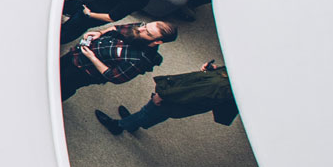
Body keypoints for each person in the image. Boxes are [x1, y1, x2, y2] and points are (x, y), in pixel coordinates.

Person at [95, 60, 235, 135]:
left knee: (150, 112)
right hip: (181, 103)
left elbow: (188, 93)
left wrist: (162, 95)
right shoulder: (228, 82)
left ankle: (119, 125)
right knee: (153, 114)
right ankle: (133, 123)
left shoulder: (220, 86)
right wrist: (215, 70)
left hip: (174, 101)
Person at [60, 21, 177, 99]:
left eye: (147, 32)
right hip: (77, 53)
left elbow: (114, 77)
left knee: (63, 86)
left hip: (84, 71)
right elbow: (116, 28)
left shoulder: (139, 60)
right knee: (56, 65)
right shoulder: (141, 27)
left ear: (157, 42)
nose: (140, 29)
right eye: (145, 26)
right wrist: (100, 33)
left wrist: (92, 57)